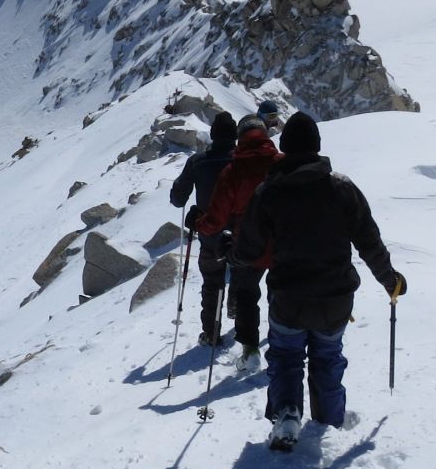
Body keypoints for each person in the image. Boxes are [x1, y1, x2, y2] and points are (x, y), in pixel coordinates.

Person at [233, 112, 407, 451]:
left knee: (285, 357)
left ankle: (286, 415)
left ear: (284, 147)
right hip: (335, 297)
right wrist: (390, 280)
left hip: (288, 296)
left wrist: (232, 251)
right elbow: (369, 241)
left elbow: (249, 249)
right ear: (317, 147)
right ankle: (329, 420)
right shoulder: (341, 187)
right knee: (327, 357)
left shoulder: (269, 192)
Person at [196, 115, 280, 372]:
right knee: (279, 294)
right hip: (281, 242)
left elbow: (216, 216)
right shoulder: (282, 163)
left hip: (247, 243)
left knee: (246, 295)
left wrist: (198, 223)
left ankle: (250, 349)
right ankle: (279, 348)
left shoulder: (233, 170)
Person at [170, 112, 236, 346]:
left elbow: (178, 198)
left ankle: (211, 332)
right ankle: (240, 313)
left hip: (209, 232)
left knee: (212, 282)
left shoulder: (198, 162)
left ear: (213, 135)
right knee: (242, 274)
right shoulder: (242, 160)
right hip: (240, 231)